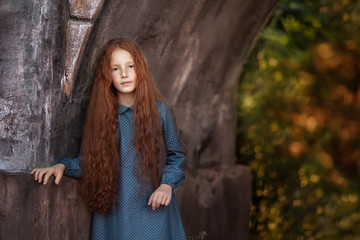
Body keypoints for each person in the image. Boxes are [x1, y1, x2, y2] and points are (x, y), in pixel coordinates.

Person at [31, 38, 187, 239]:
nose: (124, 73)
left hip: (155, 208)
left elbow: (176, 157)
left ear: (140, 68)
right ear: (107, 75)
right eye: (115, 68)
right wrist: (62, 166)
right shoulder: (102, 117)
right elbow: (89, 162)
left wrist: (166, 185)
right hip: (115, 212)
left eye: (130, 66)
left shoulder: (161, 112)